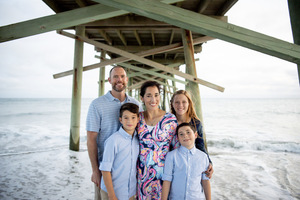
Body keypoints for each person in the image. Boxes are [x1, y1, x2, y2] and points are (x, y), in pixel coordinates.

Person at [86, 66, 142, 200]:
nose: (119, 80)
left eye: (122, 76)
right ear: (109, 80)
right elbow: (91, 139)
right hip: (105, 169)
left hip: (127, 171)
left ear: (127, 80)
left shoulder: (135, 104)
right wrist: (95, 170)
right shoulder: (97, 104)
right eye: (115, 77)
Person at [137, 81, 179, 200]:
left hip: (163, 177)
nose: (153, 99)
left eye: (156, 95)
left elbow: (176, 149)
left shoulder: (170, 119)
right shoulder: (137, 118)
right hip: (141, 177)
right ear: (142, 98)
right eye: (149, 95)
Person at [100, 103, 140, 200]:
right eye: (126, 118)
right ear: (120, 120)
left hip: (131, 193)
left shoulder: (138, 139)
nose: (129, 121)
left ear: (138, 119)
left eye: (133, 117)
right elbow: (105, 170)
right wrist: (112, 195)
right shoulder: (113, 141)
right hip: (113, 192)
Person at [170, 90, 214, 178]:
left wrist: (209, 162)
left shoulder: (196, 123)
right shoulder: (168, 122)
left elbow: (200, 146)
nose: (180, 105)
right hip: (173, 164)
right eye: (177, 102)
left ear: (189, 103)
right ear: (172, 104)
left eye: (184, 102)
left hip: (191, 165)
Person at [162, 123, 211, 200]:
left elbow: (205, 181)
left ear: (195, 135)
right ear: (178, 138)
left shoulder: (203, 157)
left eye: (188, 132)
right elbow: (167, 180)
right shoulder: (171, 156)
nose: (185, 135)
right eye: (181, 134)